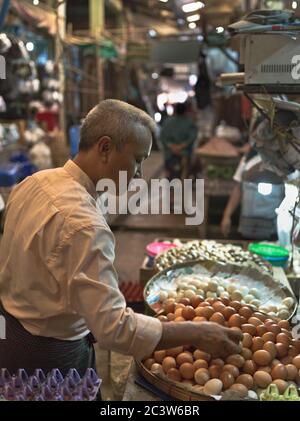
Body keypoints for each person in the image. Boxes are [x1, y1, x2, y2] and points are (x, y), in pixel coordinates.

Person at [0, 100, 241, 386]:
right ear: (105, 148)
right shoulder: (84, 225)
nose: (140, 173)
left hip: (12, 334)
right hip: (49, 355)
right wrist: (198, 332)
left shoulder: (34, 182)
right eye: (138, 159)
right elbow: (113, 329)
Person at [221, 147, 285, 240]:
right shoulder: (248, 158)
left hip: (273, 229)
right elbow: (238, 189)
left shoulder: (285, 161)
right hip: (247, 224)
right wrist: (227, 215)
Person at [160, 102, 198, 180]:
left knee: (170, 176)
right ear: (186, 111)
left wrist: (172, 146)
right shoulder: (190, 123)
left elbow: (162, 137)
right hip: (185, 153)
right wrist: (181, 146)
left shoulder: (167, 122)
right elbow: (192, 137)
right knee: (185, 176)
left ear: (174, 110)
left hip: (170, 154)